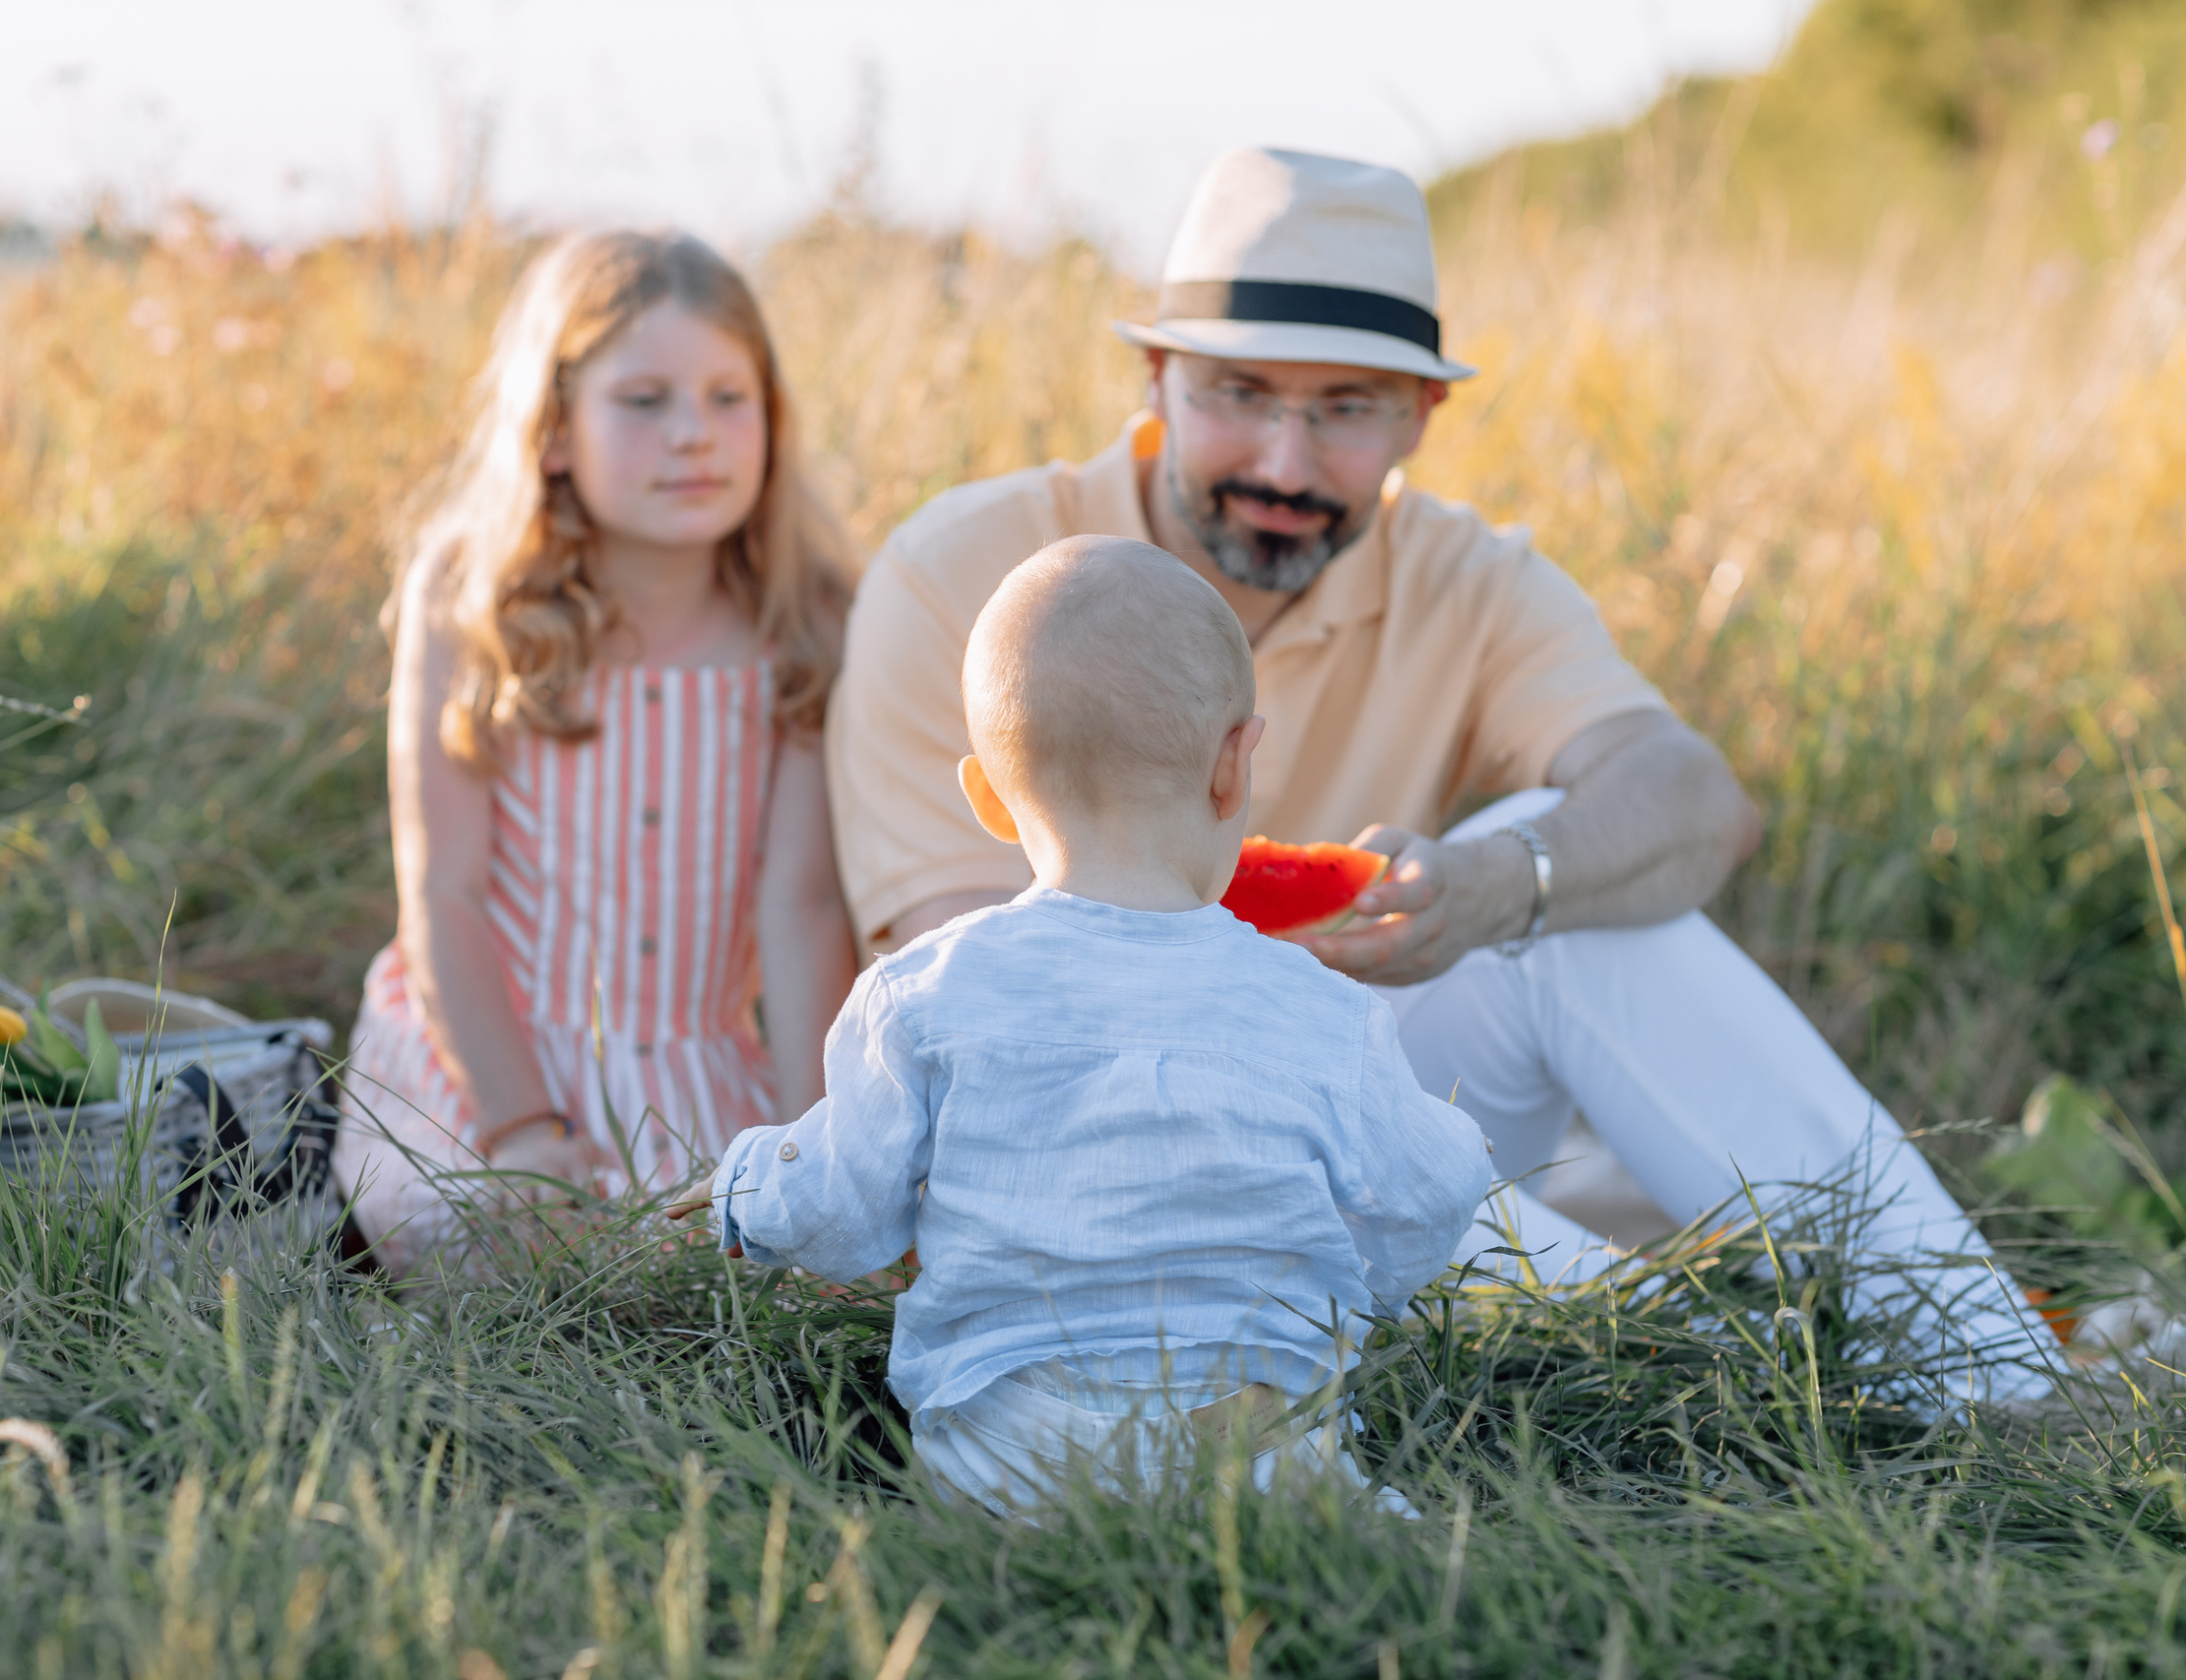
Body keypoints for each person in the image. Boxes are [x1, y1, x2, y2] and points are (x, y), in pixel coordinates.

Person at [824, 149, 2053, 1395]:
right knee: (1531, 1207)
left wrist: (1489, 884)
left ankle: (1993, 1375)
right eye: (1239, 394)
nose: (1286, 464)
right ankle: (1719, 1377)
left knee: (1554, 866)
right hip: (1096, 1163)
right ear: (1157, 380)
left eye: (1347, 408)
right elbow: (958, 966)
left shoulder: (1467, 579)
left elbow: (1693, 801)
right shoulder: (969, 573)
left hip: (1365, 1105)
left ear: (1422, 416)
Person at [669, 536, 1491, 1511]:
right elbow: (1430, 1194)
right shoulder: (1321, 1011)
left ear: (986, 798)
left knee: (991, 1497)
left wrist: (745, 1190)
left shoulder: (923, 990)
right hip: (1254, 1428)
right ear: (1235, 766)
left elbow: (844, 1211)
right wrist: (1378, 1290)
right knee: (1351, 1518)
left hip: (1010, 1444)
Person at [334, 230, 860, 1276]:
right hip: (490, 1052)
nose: (693, 436)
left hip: (690, 1068)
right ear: (555, 427)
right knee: (469, 1227)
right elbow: (446, 895)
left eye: (727, 398)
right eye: (645, 399)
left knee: (751, 1269)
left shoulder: (805, 624)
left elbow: (799, 913)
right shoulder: (474, 599)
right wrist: (527, 1132)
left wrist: (818, 1158)